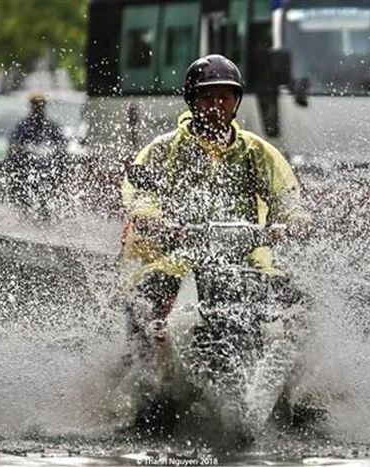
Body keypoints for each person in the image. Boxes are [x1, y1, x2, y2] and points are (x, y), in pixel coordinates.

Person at [119, 54, 312, 355]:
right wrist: (148, 215)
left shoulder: (256, 150)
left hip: (247, 253)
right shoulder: (164, 148)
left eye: (224, 97)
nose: (216, 106)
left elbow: (285, 191)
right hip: (180, 250)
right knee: (144, 292)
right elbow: (141, 190)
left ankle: (295, 372)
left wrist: (294, 216)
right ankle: (143, 371)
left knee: (294, 295)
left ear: (236, 101)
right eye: (207, 97)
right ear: (192, 101)